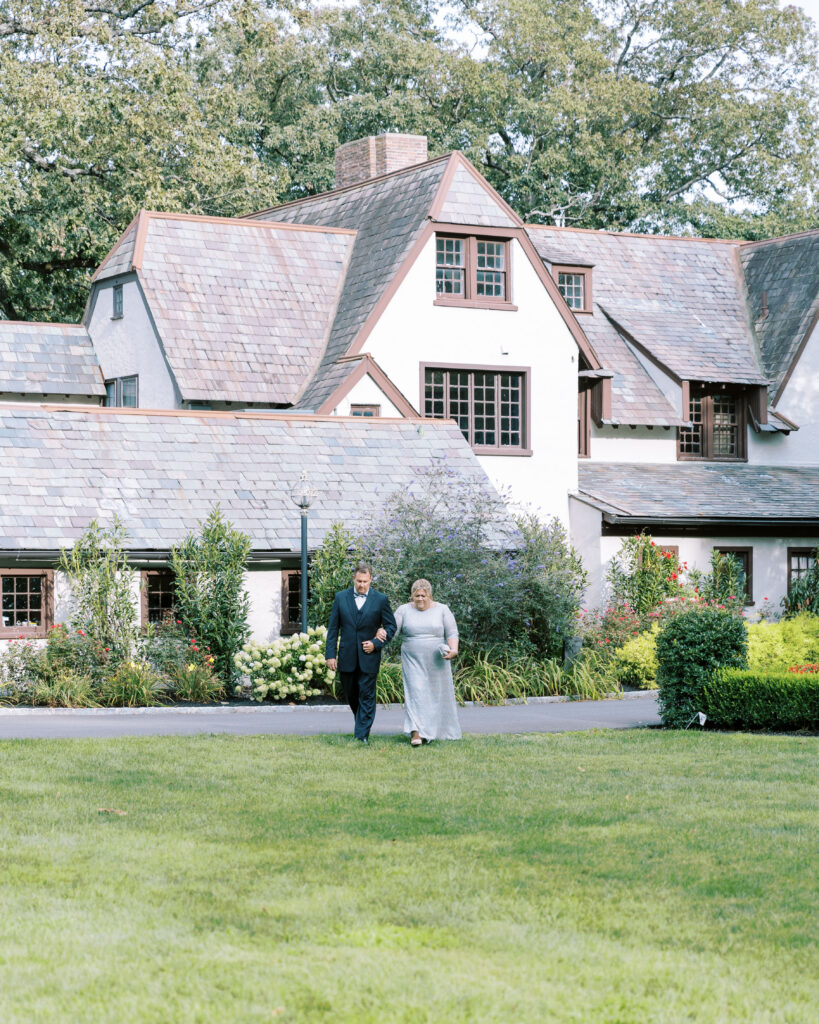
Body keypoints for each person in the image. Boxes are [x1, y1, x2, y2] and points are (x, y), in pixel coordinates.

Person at [381, 578, 460, 746]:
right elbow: (392, 632)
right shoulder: (404, 610)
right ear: (412, 596)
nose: (420, 599)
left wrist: (453, 650)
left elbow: (452, 631)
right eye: (416, 596)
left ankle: (433, 731)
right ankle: (415, 733)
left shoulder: (442, 609)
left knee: (433, 695)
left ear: (430, 595)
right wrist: (379, 636)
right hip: (413, 659)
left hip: (437, 660)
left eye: (423, 596)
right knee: (415, 693)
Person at [325, 562, 397, 744]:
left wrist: (376, 643)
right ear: (354, 579)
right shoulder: (341, 598)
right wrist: (330, 655)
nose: (362, 585)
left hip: (369, 657)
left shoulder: (381, 600)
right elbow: (333, 628)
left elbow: (391, 626)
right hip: (347, 655)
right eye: (359, 581)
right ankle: (361, 724)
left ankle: (361, 735)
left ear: (371, 580)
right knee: (351, 695)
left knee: (367, 695)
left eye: (365, 581)